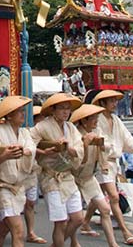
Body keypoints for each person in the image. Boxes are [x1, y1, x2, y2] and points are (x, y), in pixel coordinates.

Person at [30, 93, 83, 247]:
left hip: (67, 176)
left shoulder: (71, 127)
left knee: (77, 218)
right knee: (60, 222)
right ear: (53, 110)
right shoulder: (43, 126)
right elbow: (29, 143)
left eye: (68, 109)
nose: (65, 112)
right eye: (61, 109)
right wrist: (44, 152)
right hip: (51, 177)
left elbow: (79, 148)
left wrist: (70, 148)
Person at [92, 90, 133, 245]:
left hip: (113, 161)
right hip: (103, 161)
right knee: (113, 197)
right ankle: (125, 231)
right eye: (111, 101)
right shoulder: (97, 119)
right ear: (102, 103)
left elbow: (126, 136)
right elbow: (99, 140)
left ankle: (86, 222)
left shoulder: (115, 119)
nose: (115, 104)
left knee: (98, 196)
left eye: (115, 101)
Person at [0, 96, 37, 247]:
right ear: (9, 115)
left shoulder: (25, 133)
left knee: (2, 230)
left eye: (23, 111)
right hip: (3, 188)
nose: (23, 114)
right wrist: (4, 157)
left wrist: (27, 151)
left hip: (19, 188)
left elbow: (31, 148)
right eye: (19, 111)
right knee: (18, 230)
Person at [68, 103, 118, 247]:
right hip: (74, 177)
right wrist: (84, 144)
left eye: (96, 118)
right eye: (93, 119)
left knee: (105, 209)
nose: (96, 121)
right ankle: (73, 241)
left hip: (89, 177)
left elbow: (107, 146)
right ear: (84, 120)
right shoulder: (75, 134)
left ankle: (112, 243)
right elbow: (76, 159)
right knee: (73, 215)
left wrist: (101, 144)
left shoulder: (97, 130)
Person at [23, 106, 46, 244]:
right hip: (20, 171)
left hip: (33, 170)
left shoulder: (42, 132)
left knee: (30, 203)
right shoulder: (28, 132)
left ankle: (30, 231)